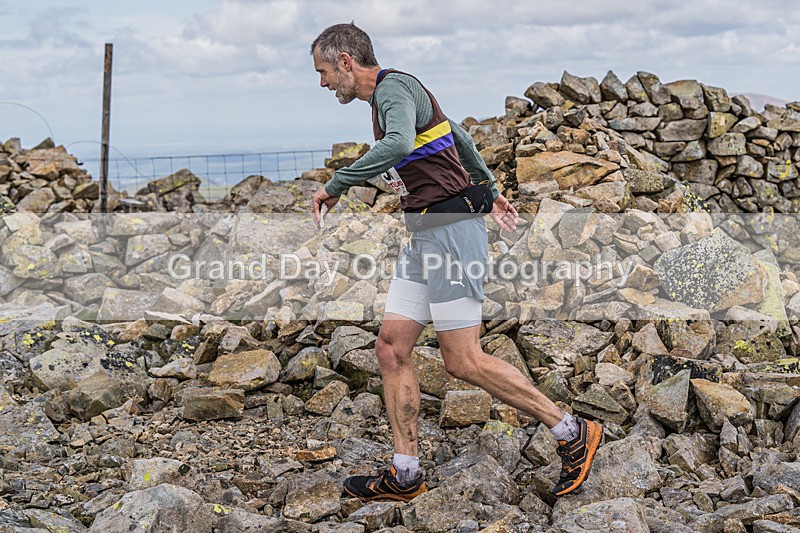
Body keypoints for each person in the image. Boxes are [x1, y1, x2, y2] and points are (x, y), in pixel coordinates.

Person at [309, 22, 602, 502]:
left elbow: (400, 144)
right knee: (391, 348)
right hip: (423, 236)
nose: (322, 83)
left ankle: (572, 431)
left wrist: (337, 184)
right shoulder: (392, 97)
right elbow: (459, 135)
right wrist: (489, 190)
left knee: (462, 359)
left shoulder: (394, 90)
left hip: (449, 234)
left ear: (346, 62)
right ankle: (405, 475)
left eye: (323, 72)